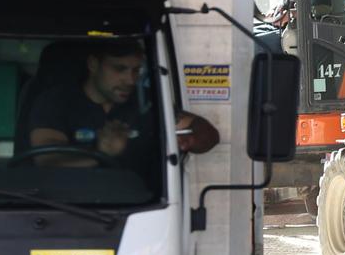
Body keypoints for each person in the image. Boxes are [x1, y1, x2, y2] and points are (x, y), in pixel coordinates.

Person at [26, 40, 218, 165]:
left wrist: (190, 139)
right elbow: (47, 161)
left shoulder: (146, 103)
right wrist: (101, 152)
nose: (130, 80)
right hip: (67, 205)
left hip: (144, 206)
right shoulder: (56, 102)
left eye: (136, 70)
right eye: (120, 69)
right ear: (93, 64)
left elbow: (204, 133)